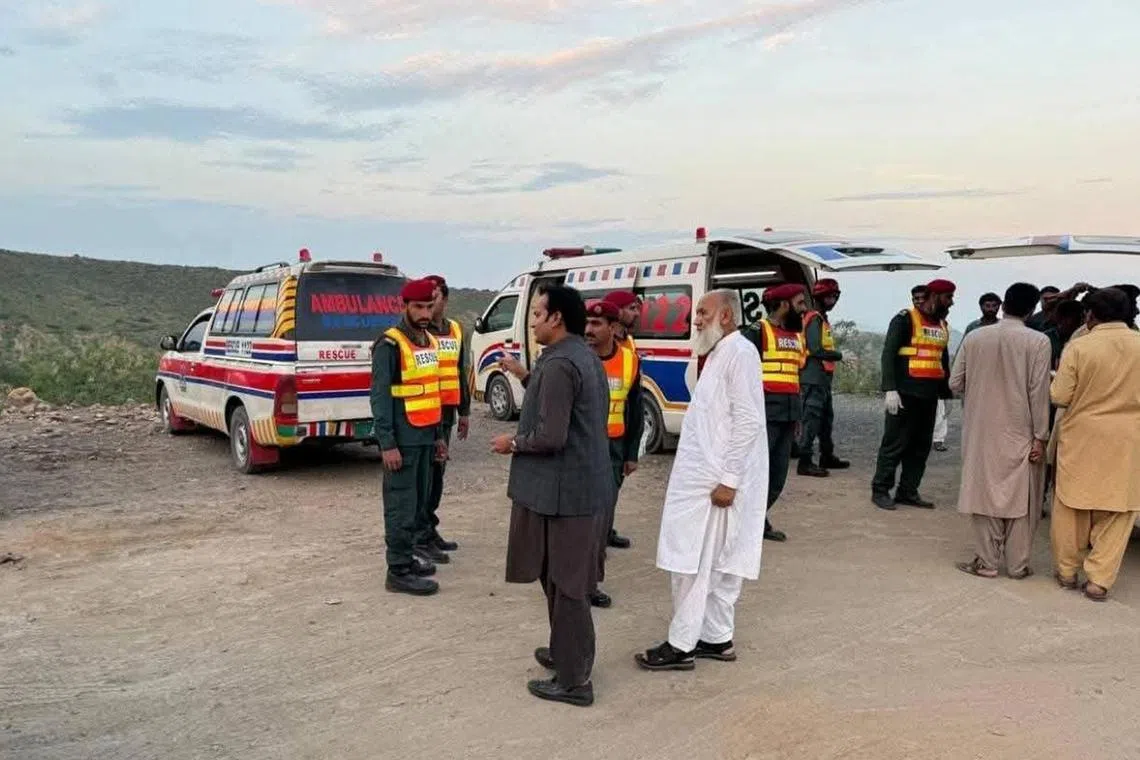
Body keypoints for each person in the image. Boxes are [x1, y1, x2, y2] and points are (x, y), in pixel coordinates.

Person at [492, 283, 613, 707]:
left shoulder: (563, 363)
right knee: (560, 579)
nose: (534, 322)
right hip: (574, 490)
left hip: (567, 496)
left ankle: (575, 680)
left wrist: (514, 442)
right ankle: (567, 653)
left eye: (538, 315)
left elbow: (552, 436)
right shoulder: (581, 356)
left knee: (568, 585)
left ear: (557, 317)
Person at [635, 289, 767, 671]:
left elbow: (748, 421)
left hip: (717, 480)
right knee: (716, 563)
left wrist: (729, 479)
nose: (694, 320)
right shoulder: (718, 354)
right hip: (707, 476)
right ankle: (717, 638)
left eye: (702, 313)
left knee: (694, 562)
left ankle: (681, 645)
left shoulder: (740, 354)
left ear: (725, 316)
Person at [950, 283, 1052, 579]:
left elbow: (955, 383)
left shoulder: (975, 337)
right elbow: (1038, 392)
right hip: (1023, 429)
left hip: (981, 429)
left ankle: (987, 562)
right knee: (1022, 499)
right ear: (1032, 310)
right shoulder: (1038, 341)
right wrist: (1041, 436)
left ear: (1004, 304)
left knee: (985, 495)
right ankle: (1018, 565)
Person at [1049, 287, 1140, 602]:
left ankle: (1067, 571)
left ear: (1090, 315)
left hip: (1082, 436)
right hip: (1129, 437)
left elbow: (1060, 396)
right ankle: (1099, 581)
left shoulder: (1079, 346)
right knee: (1119, 509)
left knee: (1072, 504)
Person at [370, 278, 449, 596]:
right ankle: (398, 570)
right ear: (403, 307)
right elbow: (380, 398)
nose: (425, 312)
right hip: (402, 441)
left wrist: (440, 436)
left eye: (429, 306)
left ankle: (408, 557)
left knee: (418, 504)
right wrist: (387, 443)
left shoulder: (429, 341)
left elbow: (433, 391)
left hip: (426, 438)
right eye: (418, 307)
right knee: (401, 506)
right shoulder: (389, 344)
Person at [871, 279, 955, 510]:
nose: (951, 302)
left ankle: (908, 491)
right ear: (935, 296)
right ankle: (880, 489)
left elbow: (942, 359)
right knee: (894, 444)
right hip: (905, 394)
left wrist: (945, 393)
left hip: (929, 396)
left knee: (920, 446)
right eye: (948, 297)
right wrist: (890, 389)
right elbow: (888, 354)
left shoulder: (941, 324)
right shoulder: (905, 319)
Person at [583, 298, 644, 608]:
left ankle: (590, 584)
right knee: (578, 521)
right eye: (587, 324)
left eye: (596, 324)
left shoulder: (631, 362)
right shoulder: (574, 359)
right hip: (578, 453)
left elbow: (636, 411)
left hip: (611, 451)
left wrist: (632, 454)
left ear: (613, 328)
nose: (589, 330)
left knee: (601, 520)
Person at [742, 283, 807, 542]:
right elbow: (742, 376)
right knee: (755, 472)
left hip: (788, 414)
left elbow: (795, 376)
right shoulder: (757, 332)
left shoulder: (795, 335)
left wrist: (798, 416)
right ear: (783, 305)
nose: (804, 309)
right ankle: (746, 524)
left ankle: (755, 519)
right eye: (800, 303)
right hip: (764, 415)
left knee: (777, 476)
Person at [413, 275, 470, 564]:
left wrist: (466, 412)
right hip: (426, 412)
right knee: (425, 478)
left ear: (444, 300)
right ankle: (419, 536)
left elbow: (461, 371)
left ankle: (429, 528)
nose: (429, 305)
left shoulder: (456, 329)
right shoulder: (421, 334)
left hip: (446, 412)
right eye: (425, 300)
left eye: (433, 298)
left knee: (437, 477)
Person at [599, 288, 643, 548]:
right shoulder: (593, 348)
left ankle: (605, 530)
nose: (637, 314)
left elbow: (634, 405)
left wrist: (632, 452)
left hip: (617, 435)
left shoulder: (629, 348)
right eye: (632, 308)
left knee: (612, 490)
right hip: (591, 438)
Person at [797, 278, 848, 477]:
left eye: (836, 296)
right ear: (820, 296)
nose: (834, 300)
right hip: (813, 377)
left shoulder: (821, 318)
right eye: (830, 296)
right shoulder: (815, 319)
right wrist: (839, 355)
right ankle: (805, 461)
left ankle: (827, 455)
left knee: (826, 419)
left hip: (822, 377)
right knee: (811, 419)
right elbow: (816, 349)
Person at [1027, 282, 1091, 331]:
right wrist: (1072, 289)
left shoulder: (1069, 316)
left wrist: (1074, 291)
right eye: (1046, 299)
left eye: (1054, 299)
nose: (1050, 302)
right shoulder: (1033, 320)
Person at [603, 290, 642, 355]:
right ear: (617, 311)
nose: (637, 313)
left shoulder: (629, 340)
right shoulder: (601, 343)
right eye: (632, 308)